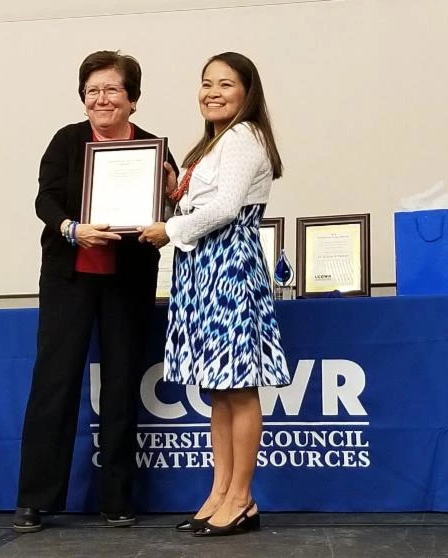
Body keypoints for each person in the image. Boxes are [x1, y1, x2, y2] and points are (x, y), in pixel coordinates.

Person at [13, 50, 178, 533]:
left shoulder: (154, 149)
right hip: (70, 277)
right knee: (55, 382)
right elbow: (45, 198)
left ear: (133, 99)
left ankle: (118, 498)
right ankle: (35, 499)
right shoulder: (68, 140)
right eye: (91, 91)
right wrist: (71, 228)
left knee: (124, 383)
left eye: (111, 90)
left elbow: (171, 211)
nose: (100, 99)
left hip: (127, 281)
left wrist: (173, 194)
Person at [139, 52, 290, 537]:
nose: (213, 92)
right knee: (219, 390)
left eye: (226, 84)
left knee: (240, 387)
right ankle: (219, 491)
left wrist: (170, 226)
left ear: (248, 92)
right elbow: (203, 201)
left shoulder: (245, 137)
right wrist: (172, 193)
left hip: (229, 268)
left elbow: (225, 208)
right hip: (202, 268)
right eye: (206, 83)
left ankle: (242, 498)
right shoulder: (211, 145)